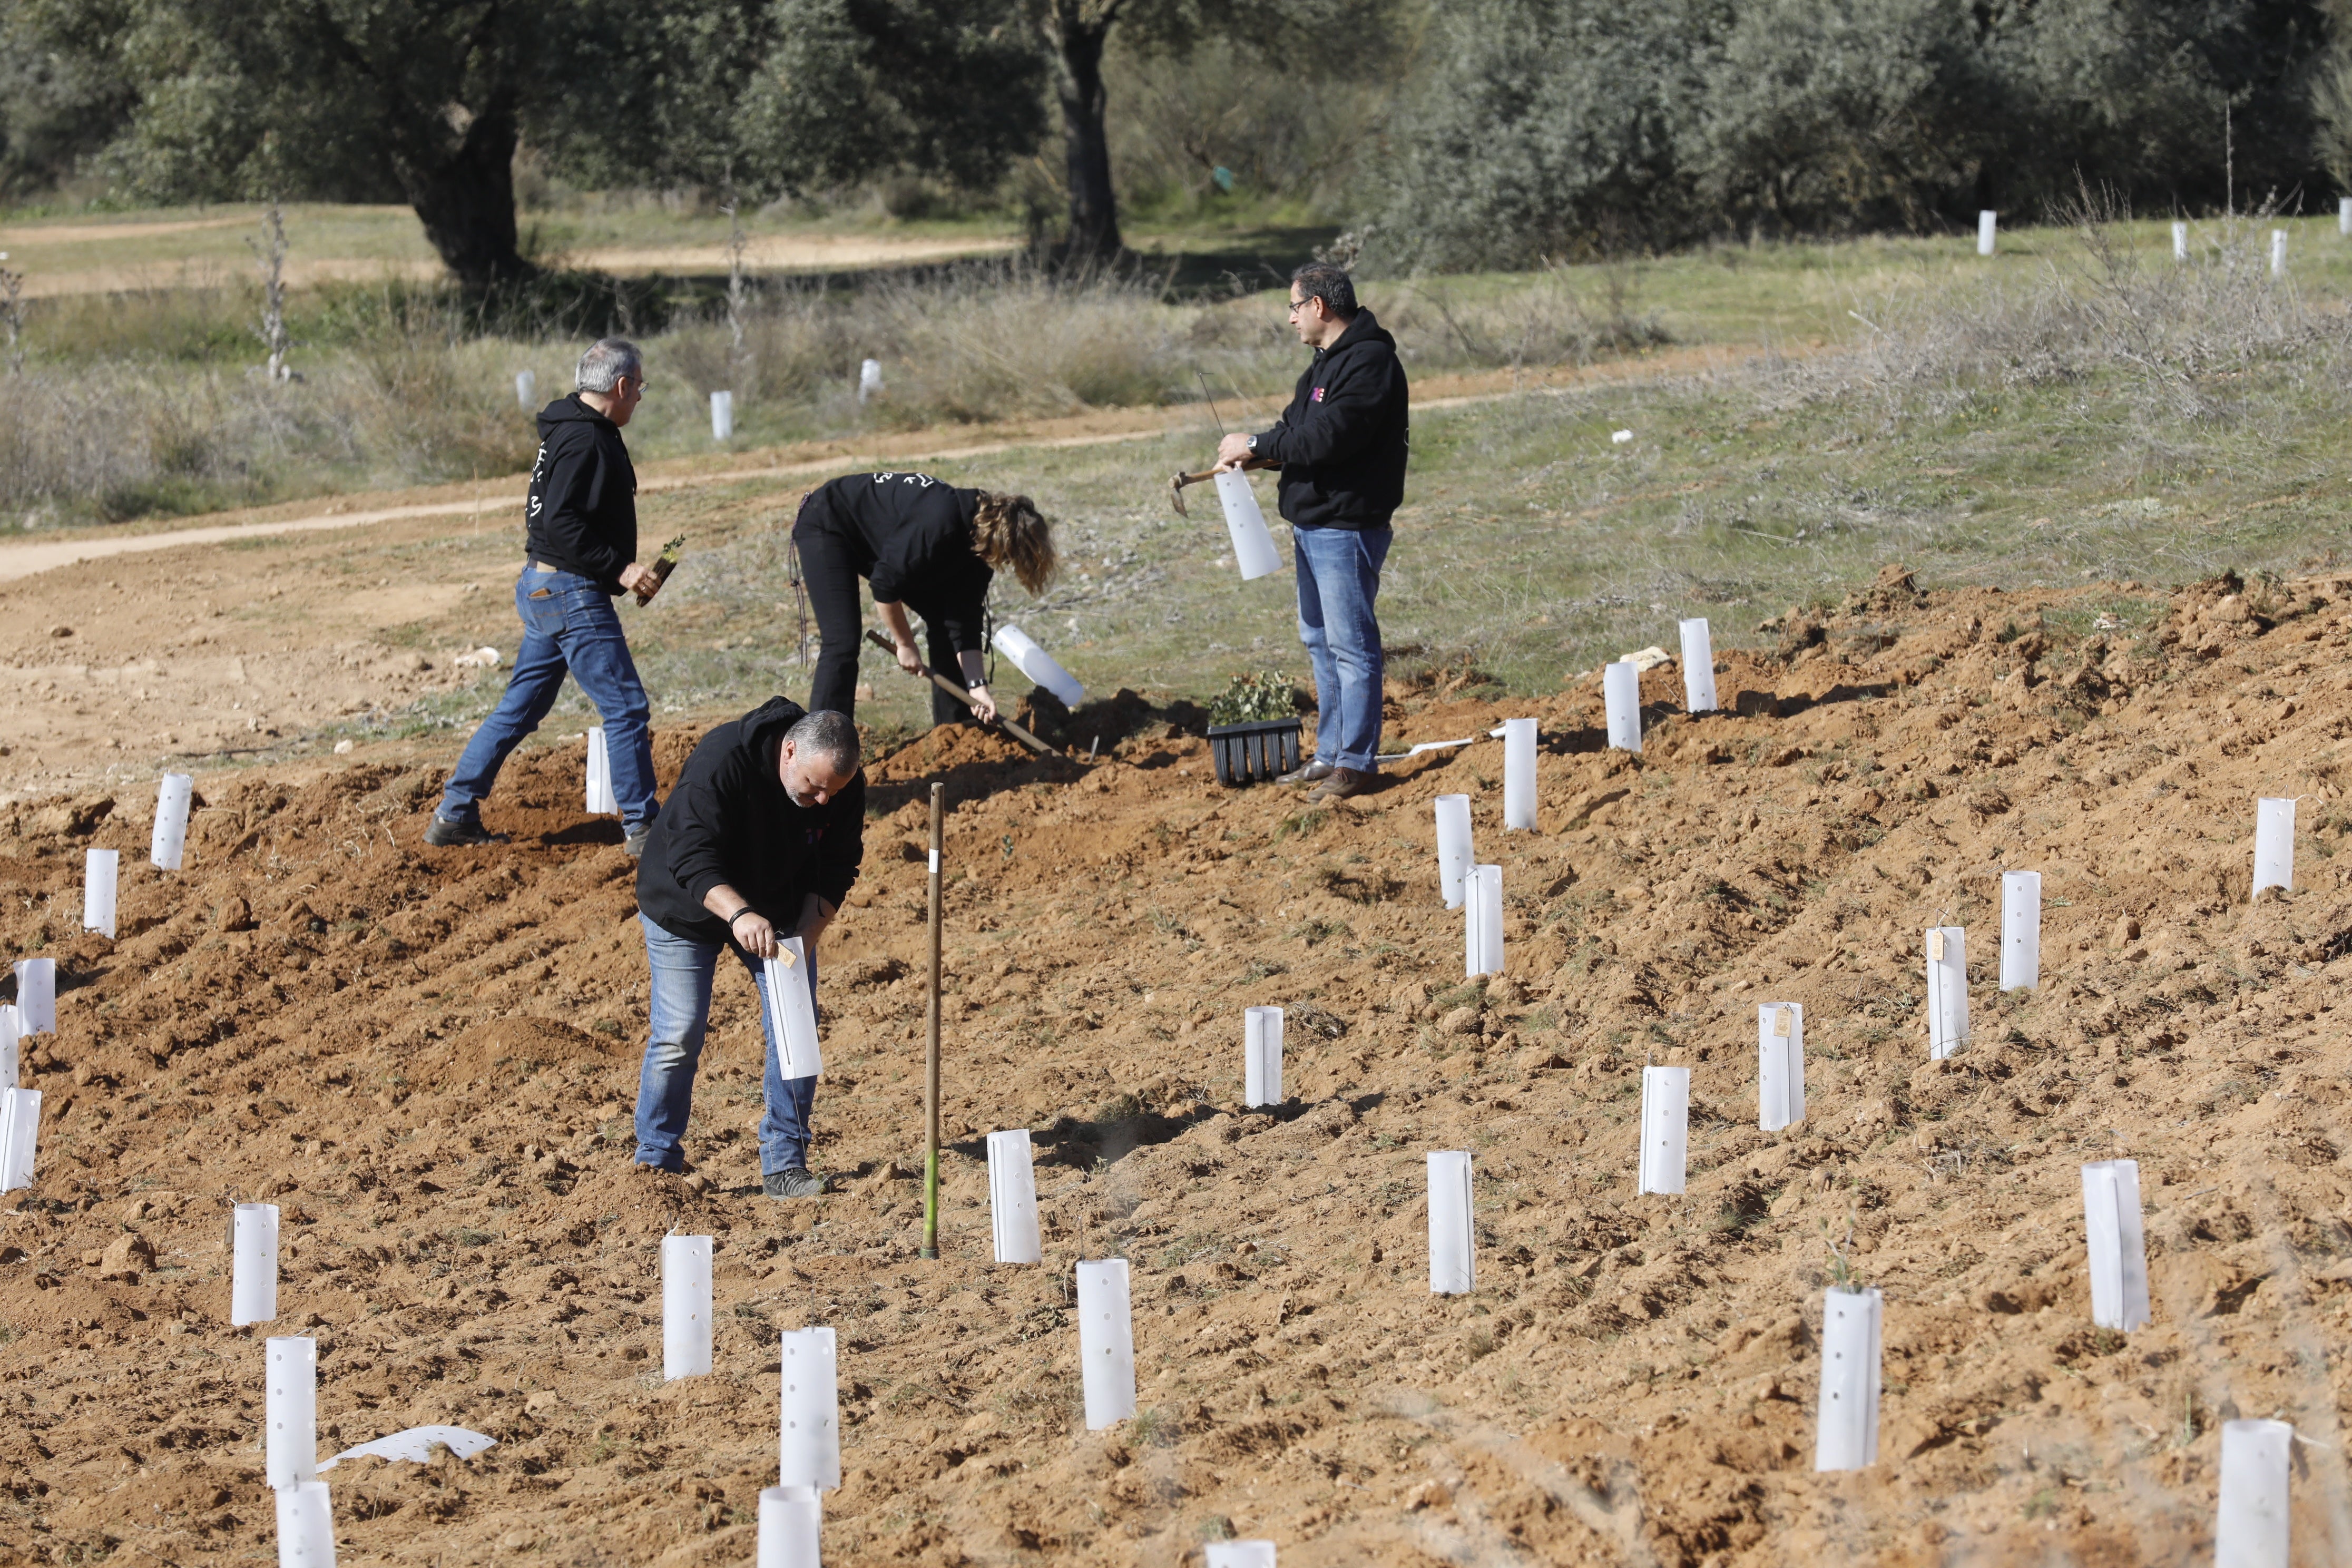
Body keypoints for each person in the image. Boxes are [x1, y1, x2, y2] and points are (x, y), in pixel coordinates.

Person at [428, 338, 664, 855]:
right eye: (639, 388)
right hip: (567, 590)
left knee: (520, 709)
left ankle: (455, 814)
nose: (640, 398)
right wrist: (620, 568)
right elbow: (560, 520)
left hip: (542, 585)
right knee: (626, 708)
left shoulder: (571, 425)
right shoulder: (584, 439)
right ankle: (646, 830)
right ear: (621, 386)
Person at [631, 699, 865, 1198]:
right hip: (684, 901)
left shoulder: (840, 786)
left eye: (834, 791)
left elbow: (839, 864)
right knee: (679, 1034)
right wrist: (738, 914)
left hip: (776, 906)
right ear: (789, 751)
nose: (825, 799)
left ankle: (785, 1163)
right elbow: (690, 855)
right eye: (814, 786)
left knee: (794, 1027)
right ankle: (656, 1163)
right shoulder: (722, 762)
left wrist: (804, 935)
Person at [1215, 262, 1409, 804]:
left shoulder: (1370, 363)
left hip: (1345, 526)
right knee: (1320, 641)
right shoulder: (1322, 366)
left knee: (1352, 646)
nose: (1290, 319)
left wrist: (1255, 441)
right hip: (1312, 522)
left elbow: (1329, 439)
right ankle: (1329, 754)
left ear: (1319, 307)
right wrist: (1257, 455)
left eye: (1294, 307)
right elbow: (1297, 432)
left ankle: (1356, 762)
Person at [793, 472, 1056, 728]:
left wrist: (977, 687)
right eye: (1010, 557)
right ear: (1003, 539)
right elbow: (885, 585)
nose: (1006, 563)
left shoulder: (981, 547)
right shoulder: (939, 524)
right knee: (842, 641)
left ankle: (955, 732)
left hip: (885, 539)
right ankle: (821, 747)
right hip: (828, 522)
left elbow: (963, 619)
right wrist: (905, 644)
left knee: (944, 623)